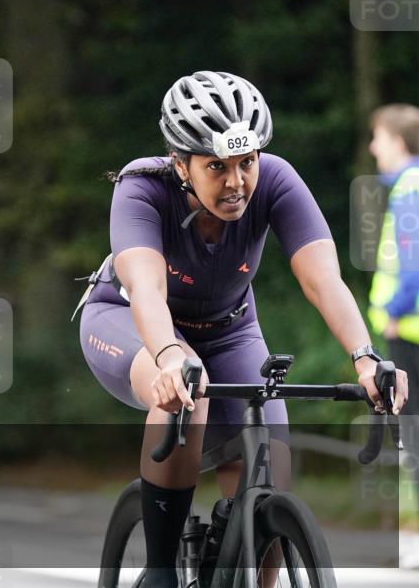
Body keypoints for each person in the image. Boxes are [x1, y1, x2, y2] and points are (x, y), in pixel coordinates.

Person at [76, 71, 410, 588]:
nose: (236, 182)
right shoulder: (141, 187)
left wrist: (365, 358)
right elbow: (147, 289)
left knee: (270, 470)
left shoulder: (276, 179)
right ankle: (161, 573)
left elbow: (323, 278)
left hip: (230, 330)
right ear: (181, 164)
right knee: (188, 392)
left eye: (246, 162)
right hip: (129, 321)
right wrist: (169, 356)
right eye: (217, 166)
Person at [366, 102, 419, 514]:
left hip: (408, 331)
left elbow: (414, 264)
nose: (372, 147)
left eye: (378, 138)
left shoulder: (409, 187)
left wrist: (394, 314)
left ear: (398, 142)